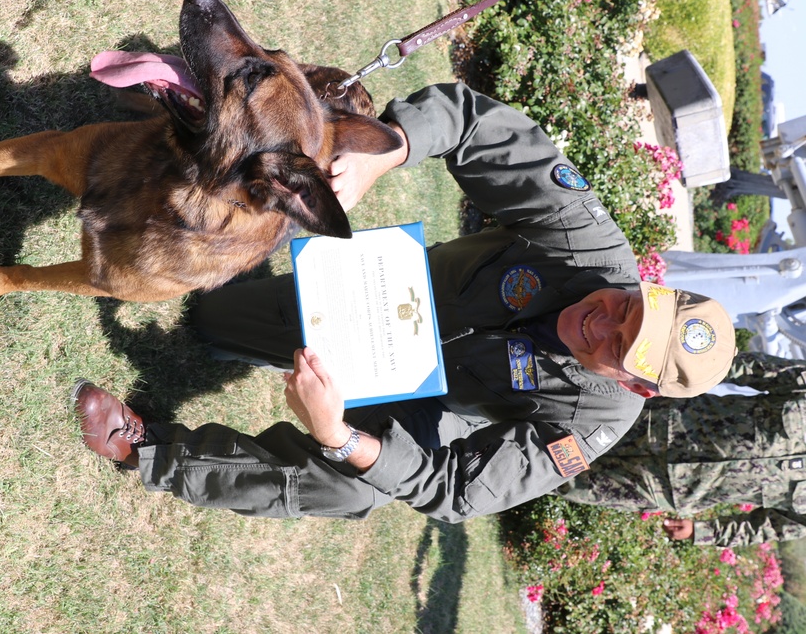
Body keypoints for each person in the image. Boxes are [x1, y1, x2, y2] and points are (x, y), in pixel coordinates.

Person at [74, 81, 736, 522]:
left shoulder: (591, 424)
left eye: (618, 343)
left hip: (424, 399)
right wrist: (383, 153)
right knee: (211, 318)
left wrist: (338, 433)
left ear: (633, 384)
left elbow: (457, 490)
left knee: (352, 484)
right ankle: (196, 148)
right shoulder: (589, 243)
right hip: (377, 298)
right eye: (630, 306)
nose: (604, 317)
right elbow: (479, 124)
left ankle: (151, 449)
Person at [558, 351, 806, 547]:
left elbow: (768, 527)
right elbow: (750, 368)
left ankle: (520, 467)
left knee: (558, 474)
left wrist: (702, 532)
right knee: (565, 416)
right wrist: (678, 372)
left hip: (661, 487)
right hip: (656, 420)